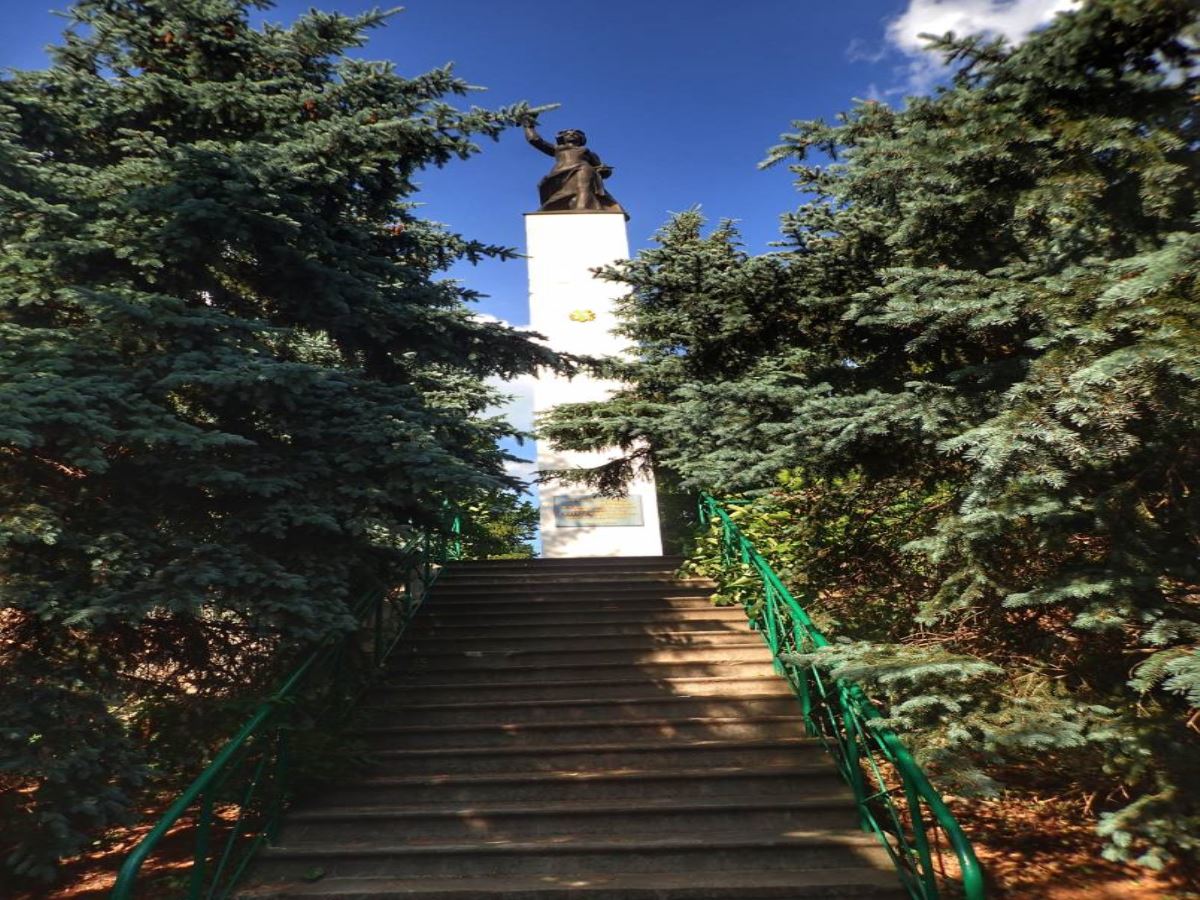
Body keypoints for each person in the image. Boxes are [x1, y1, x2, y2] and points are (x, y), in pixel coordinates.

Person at [524, 121, 627, 217]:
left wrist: (604, 170)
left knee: (583, 187)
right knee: (553, 193)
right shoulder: (557, 149)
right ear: (561, 138)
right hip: (560, 173)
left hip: (583, 169)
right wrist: (528, 126)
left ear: (581, 139)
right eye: (567, 134)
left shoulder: (587, 151)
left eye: (575, 134)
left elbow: (602, 169)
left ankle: (582, 207)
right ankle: (556, 207)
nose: (572, 135)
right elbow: (535, 140)